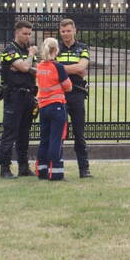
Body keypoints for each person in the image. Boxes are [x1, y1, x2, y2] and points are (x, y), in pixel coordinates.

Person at [0, 20, 38, 179]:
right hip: (14, 96)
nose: (27, 36)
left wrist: (24, 66)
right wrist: (28, 61)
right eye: (24, 33)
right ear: (17, 33)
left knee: (24, 134)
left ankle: (23, 167)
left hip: (28, 95)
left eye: (29, 34)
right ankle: (5, 168)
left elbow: (34, 70)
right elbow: (26, 68)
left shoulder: (26, 50)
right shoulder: (9, 49)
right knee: (10, 133)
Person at [56, 18, 92, 178]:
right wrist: (75, 69)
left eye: (68, 31)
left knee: (79, 133)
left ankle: (84, 169)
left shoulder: (82, 47)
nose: (65, 34)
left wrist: (61, 68)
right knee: (59, 133)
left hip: (77, 94)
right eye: (63, 31)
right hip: (59, 94)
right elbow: (51, 68)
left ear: (74, 30)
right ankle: (57, 169)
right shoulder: (55, 48)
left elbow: (82, 67)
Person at [35, 37, 72, 181]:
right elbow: (68, 86)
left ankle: (42, 171)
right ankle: (55, 172)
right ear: (55, 50)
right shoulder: (58, 67)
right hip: (56, 105)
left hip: (43, 107)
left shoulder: (40, 66)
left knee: (44, 139)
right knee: (56, 139)